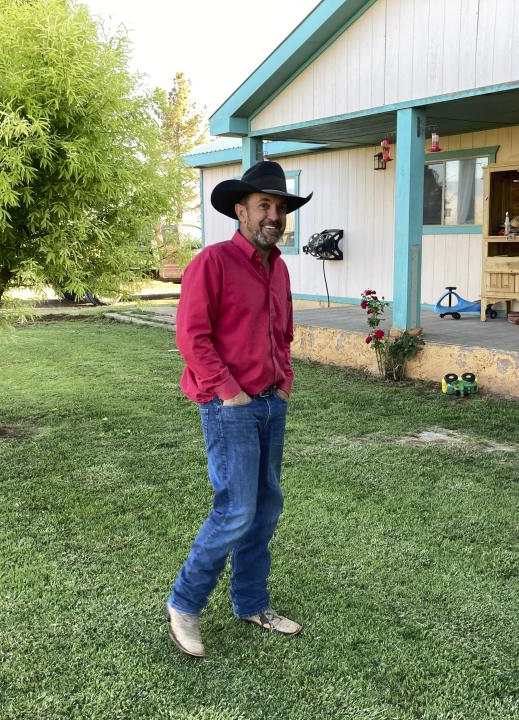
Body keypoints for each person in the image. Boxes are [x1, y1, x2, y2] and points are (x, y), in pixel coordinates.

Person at [166, 160, 313, 658]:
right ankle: (184, 604)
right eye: (264, 206)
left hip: (271, 404)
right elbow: (192, 338)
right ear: (240, 210)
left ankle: (251, 601)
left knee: (266, 508)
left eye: (281, 208)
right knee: (235, 510)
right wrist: (229, 392)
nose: (274, 216)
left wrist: (284, 382)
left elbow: (283, 334)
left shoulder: (280, 268)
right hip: (229, 407)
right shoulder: (212, 262)